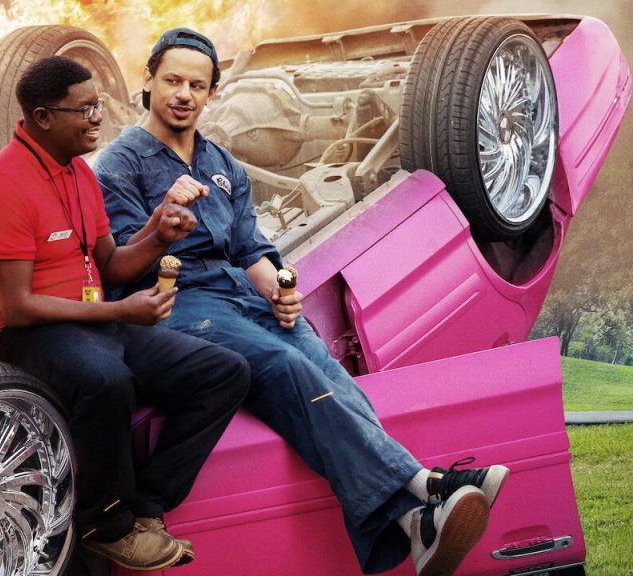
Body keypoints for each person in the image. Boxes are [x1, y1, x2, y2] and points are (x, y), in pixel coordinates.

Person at [94, 28, 509, 576]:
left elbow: (250, 248)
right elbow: (120, 264)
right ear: (148, 81)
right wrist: (163, 220)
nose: (183, 95)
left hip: (240, 294)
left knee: (322, 364)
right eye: (172, 81)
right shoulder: (118, 164)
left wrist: (279, 292)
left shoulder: (222, 164)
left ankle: (415, 517)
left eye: (197, 85)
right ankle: (424, 488)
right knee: (283, 364)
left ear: (212, 93)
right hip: (179, 301)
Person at [0, 55, 250, 572]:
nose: (98, 117)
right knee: (107, 381)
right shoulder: (1, 188)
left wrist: (159, 234)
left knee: (223, 373)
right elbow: (17, 307)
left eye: (97, 105)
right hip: (19, 335)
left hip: (84, 322)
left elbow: (111, 263)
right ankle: (105, 526)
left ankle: (147, 509)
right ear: (43, 117)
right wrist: (122, 310)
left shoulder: (78, 173)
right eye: (85, 109)